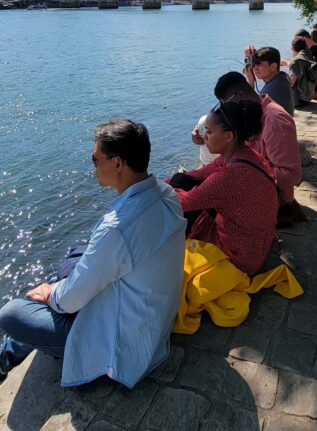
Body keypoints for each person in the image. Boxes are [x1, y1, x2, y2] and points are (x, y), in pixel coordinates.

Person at [0, 120, 186, 388]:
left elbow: (71, 300)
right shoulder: (167, 194)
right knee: (76, 256)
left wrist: (50, 292)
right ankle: (9, 352)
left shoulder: (117, 229)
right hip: (153, 321)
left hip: (122, 344)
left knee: (12, 313)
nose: (93, 165)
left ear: (118, 164)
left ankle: (6, 357)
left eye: (95, 159)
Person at [173, 101, 279, 276]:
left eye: (209, 131)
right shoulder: (244, 154)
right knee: (181, 180)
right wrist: (169, 182)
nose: (204, 137)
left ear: (229, 136)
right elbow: (198, 175)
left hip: (240, 258)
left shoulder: (230, 176)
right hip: (257, 245)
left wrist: (151, 189)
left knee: (173, 205)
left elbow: (182, 203)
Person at [193, 72, 302, 207]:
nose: (224, 108)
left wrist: (245, 175)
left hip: (272, 198)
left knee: (202, 207)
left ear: (239, 95)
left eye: (225, 102)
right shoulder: (251, 112)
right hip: (251, 181)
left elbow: (291, 174)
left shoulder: (276, 121)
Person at [243, 44, 294, 115]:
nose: (255, 68)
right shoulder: (282, 78)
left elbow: (249, 111)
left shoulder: (274, 87)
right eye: (254, 64)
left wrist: (250, 81)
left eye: (259, 64)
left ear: (273, 66)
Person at [288, 37, 317, 107]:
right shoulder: (309, 55)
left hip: (299, 100)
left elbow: (290, 84)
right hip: (309, 97)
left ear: (292, 49)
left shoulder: (295, 62)